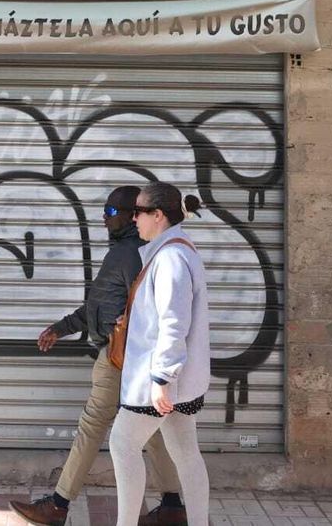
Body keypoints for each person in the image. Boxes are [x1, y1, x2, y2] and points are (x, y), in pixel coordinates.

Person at [10, 185, 188, 526]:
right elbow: (100, 303)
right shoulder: (129, 251)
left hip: (119, 357)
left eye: (110, 212)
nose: (104, 219)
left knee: (93, 425)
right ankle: (172, 505)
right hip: (128, 354)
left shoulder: (132, 253)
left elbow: (156, 306)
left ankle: (58, 505)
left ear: (131, 215)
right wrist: (61, 328)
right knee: (148, 431)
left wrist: (131, 324)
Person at [109, 182, 211, 526]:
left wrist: (162, 379)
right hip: (176, 381)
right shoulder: (173, 252)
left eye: (138, 212)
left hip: (159, 381)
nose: (132, 218)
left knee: (122, 444)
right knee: (186, 454)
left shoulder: (170, 258)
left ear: (158, 215)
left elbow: (173, 323)